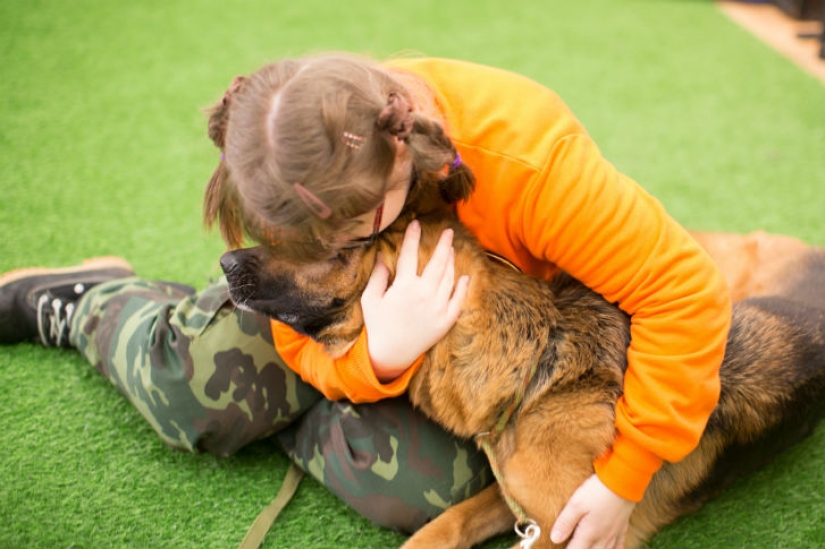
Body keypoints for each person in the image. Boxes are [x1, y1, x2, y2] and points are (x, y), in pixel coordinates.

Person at [0, 53, 732, 549]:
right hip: (356, 324)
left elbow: (686, 294)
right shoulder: (300, 175)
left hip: (471, 355)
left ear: (402, 152)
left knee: (418, 490)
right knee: (194, 392)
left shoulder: (529, 154)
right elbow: (295, 329)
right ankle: (87, 299)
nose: (332, 241)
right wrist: (378, 354)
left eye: (348, 231)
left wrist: (623, 472)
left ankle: (259, 393)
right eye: (300, 237)